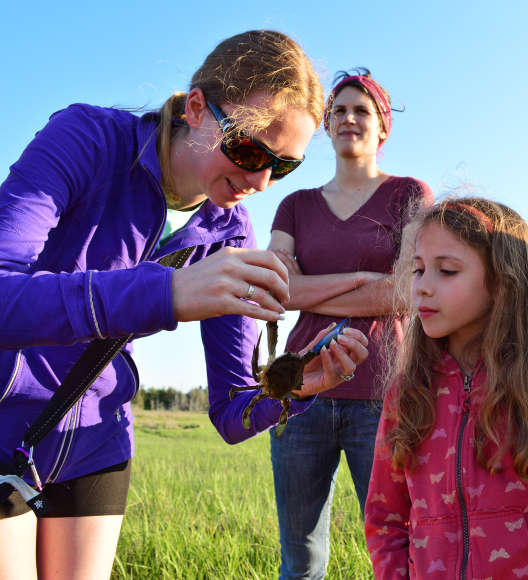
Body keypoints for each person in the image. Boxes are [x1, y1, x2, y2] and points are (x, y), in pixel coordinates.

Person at [0, 30, 369, 580]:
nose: (260, 180)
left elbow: (231, 411)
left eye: (284, 166)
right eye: (247, 149)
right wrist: (167, 293)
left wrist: (295, 386)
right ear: (196, 107)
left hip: (96, 438)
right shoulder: (87, 139)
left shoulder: (231, 232)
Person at [364, 198, 528, 579]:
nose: (422, 287)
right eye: (418, 270)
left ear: (504, 281)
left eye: (447, 271)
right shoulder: (409, 390)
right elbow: (385, 519)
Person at [267, 68, 433, 579]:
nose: (348, 119)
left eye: (361, 110)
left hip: (383, 395)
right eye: (337, 110)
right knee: (301, 558)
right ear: (325, 124)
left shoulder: (411, 195)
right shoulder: (294, 205)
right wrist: (365, 279)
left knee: (400, 552)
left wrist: (315, 288)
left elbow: (406, 291)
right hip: (302, 392)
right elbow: (279, 290)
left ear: (383, 126)